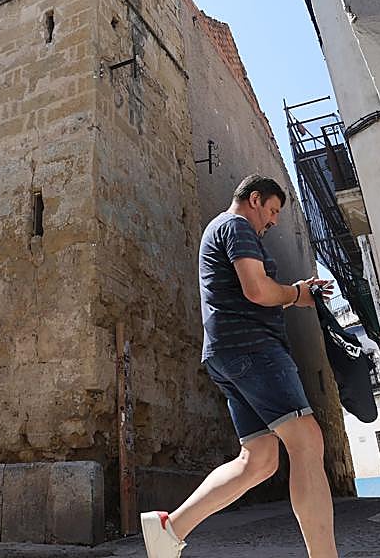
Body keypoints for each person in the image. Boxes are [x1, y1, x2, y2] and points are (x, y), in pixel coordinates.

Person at [140, 174, 336, 558]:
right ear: (254, 199)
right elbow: (257, 289)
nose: (274, 221)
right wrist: (296, 294)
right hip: (253, 350)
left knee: (258, 460)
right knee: (307, 441)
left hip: (229, 354)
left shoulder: (220, 229)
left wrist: (295, 292)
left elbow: (251, 289)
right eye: (272, 210)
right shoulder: (237, 225)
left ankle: (169, 529)